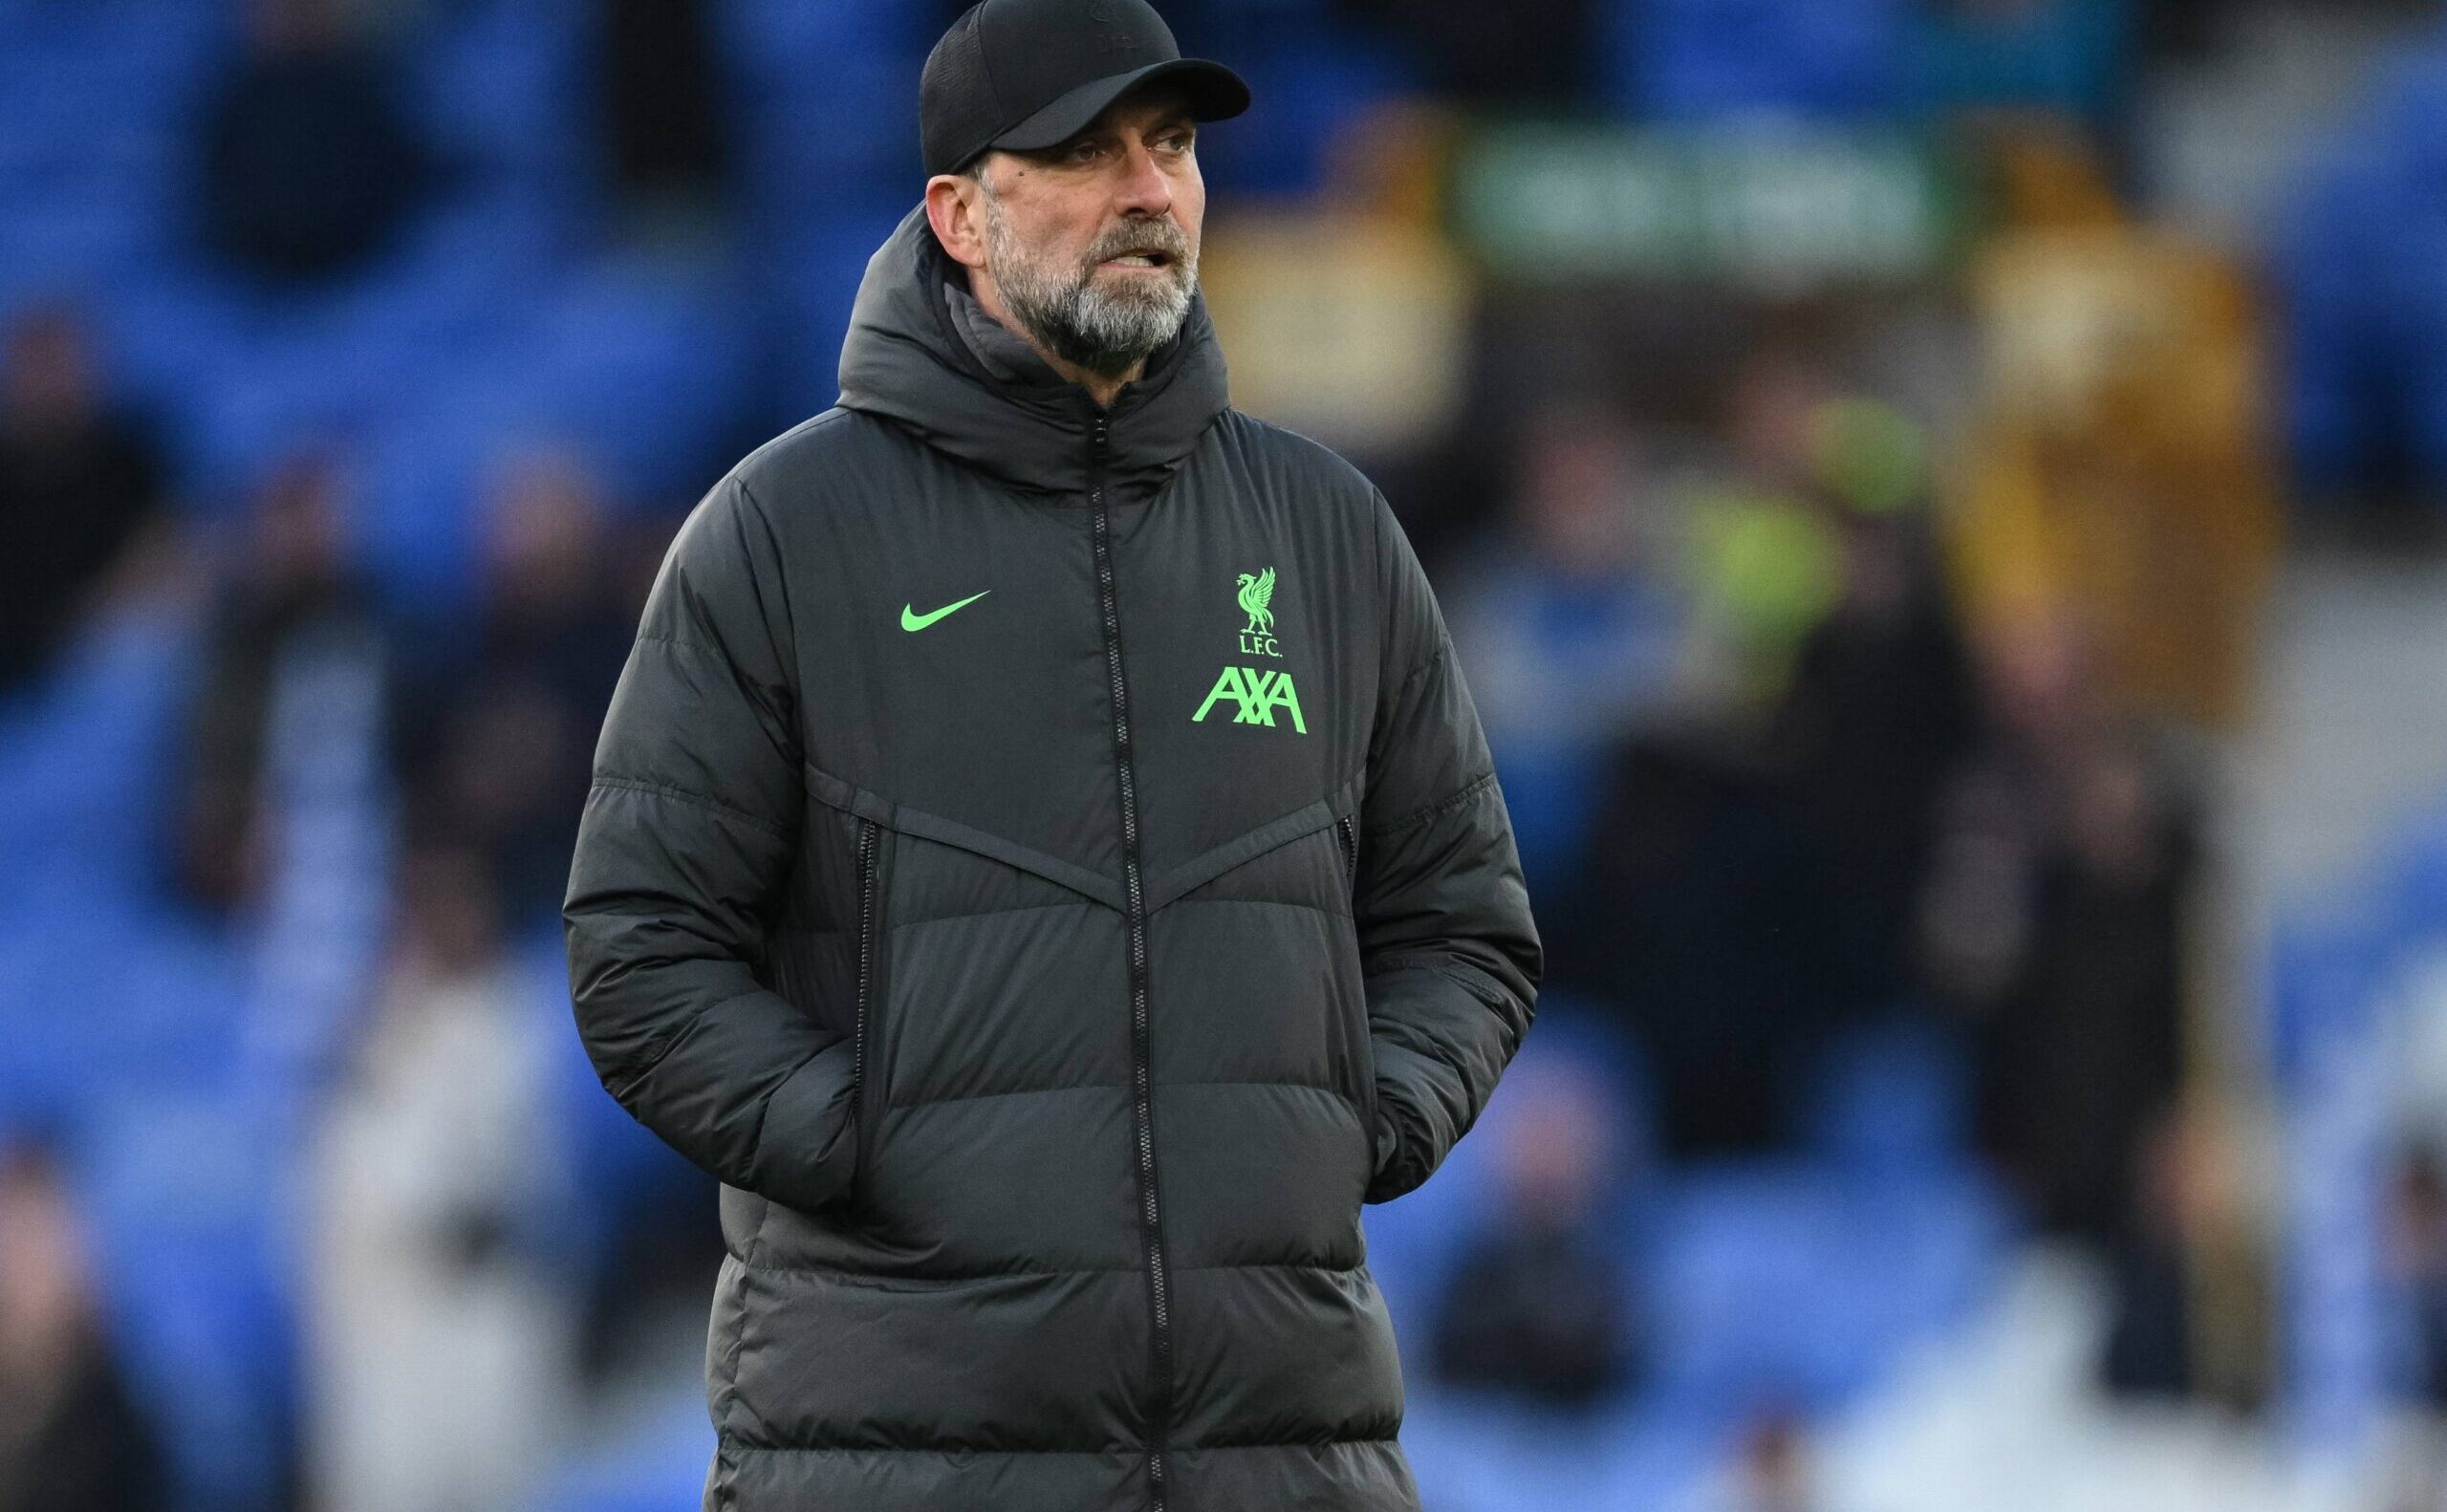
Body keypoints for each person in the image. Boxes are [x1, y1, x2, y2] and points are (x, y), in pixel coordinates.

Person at [560, 2, 1543, 1508]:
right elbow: (638, 949)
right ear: (960, 214)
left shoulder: (1327, 532)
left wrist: (1359, 1117)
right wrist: (873, 1139)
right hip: (901, 1458)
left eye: (1171, 146)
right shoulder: (782, 537)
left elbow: (1466, 925)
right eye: (1084, 152)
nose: (1148, 191)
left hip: (1280, 1457)